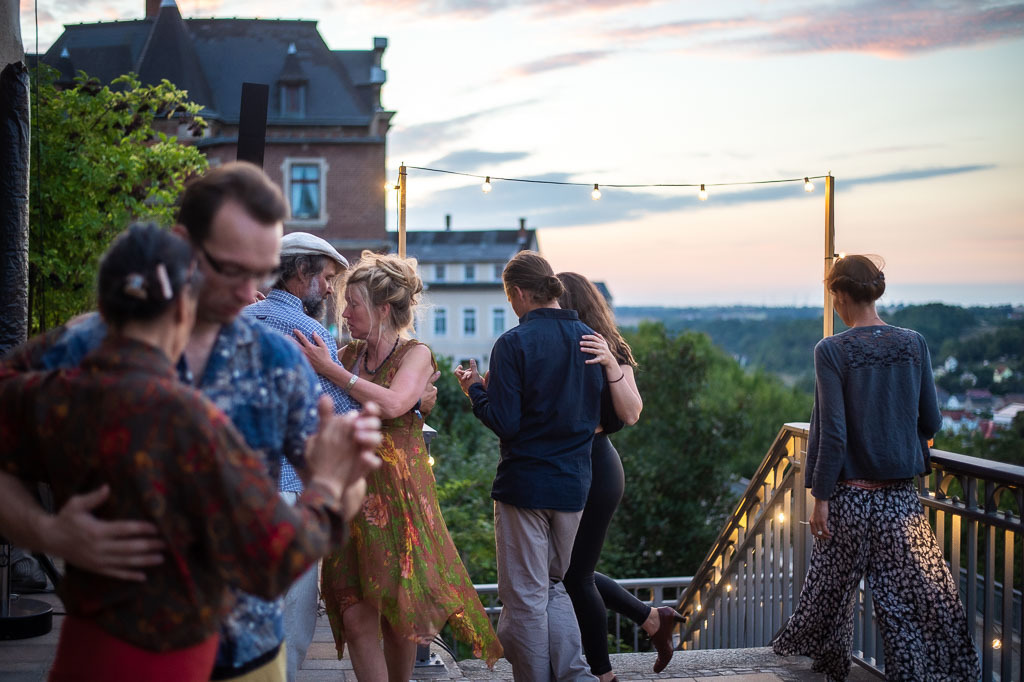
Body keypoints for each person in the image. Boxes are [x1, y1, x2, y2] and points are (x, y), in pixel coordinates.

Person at [0, 224, 382, 682]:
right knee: (289, 619)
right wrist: (331, 488)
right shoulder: (203, 404)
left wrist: (47, 533)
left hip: (97, 651)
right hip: (213, 650)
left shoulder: (78, 384)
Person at [294, 250, 501, 681]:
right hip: (354, 497)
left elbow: (393, 403)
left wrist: (333, 371)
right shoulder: (347, 354)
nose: (345, 314)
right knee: (355, 615)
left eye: (354, 305)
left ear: (383, 309)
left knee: (400, 613)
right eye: (344, 304)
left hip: (401, 497)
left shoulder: (416, 354)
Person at [771, 255, 980, 681]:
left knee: (831, 592)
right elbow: (932, 422)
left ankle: (830, 668)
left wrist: (820, 499)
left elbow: (831, 431)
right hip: (899, 502)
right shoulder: (913, 343)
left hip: (848, 498)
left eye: (834, 297)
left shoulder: (832, 350)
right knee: (906, 603)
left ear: (841, 294)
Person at [454, 251, 603, 681]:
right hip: (574, 487)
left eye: (510, 299)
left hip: (525, 487)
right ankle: (576, 676)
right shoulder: (590, 338)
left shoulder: (513, 344)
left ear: (519, 293)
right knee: (552, 587)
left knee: (524, 598)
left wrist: (476, 392)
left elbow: (506, 422)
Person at [243, 231, 358, 680]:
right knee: (293, 609)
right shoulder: (309, 332)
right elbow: (341, 413)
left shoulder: (241, 320)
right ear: (302, 273)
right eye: (327, 277)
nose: (330, 289)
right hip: (288, 489)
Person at [556, 272, 681, 679]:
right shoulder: (559, 346)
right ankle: (651, 619)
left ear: (573, 303)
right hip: (564, 467)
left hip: (597, 466)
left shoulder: (612, 350)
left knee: (575, 576)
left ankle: (604, 673)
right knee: (574, 572)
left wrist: (611, 363)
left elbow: (630, 413)